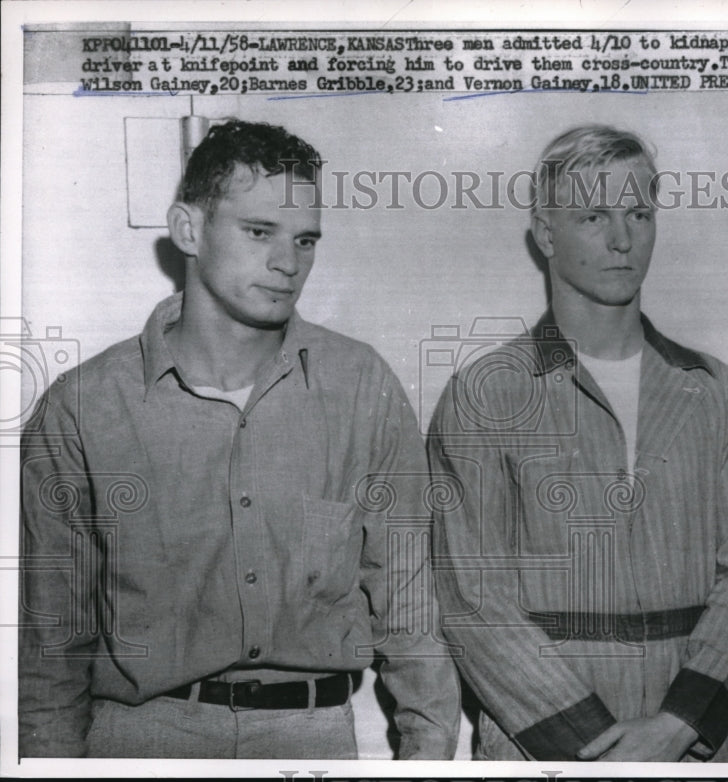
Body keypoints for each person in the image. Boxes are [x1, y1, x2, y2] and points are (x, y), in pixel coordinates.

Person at [19, 120, 460, 759]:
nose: (288, 263)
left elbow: (410, 606)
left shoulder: (361, 386)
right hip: (143, 740)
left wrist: (428, 759)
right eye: (259, 232)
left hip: (312, 739)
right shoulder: (86, 406)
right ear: (189, 229)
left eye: (305, 240)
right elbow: (51, 648)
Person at [427, 124, 728, 762]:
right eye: (593, 215)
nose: (623, 239)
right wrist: (593, 745)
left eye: (639, 214)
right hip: (546, 737)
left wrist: (678, 724)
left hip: (696, 731)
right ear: (545, 232)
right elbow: (475, 601)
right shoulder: (486, 394)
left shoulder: (714, 391)